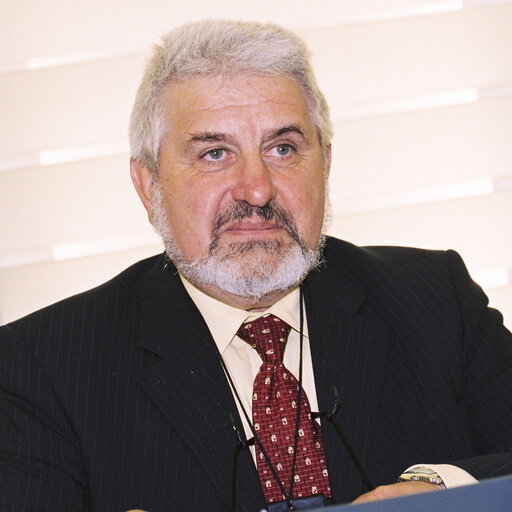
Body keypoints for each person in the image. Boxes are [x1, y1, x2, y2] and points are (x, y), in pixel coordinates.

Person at [1, 19, 511, 512]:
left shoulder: (437, 300)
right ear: (149, 186)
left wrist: (444, 489)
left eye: (283, 148)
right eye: (215, 153)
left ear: (325, 164)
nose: (257, 189)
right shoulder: (40, 366)